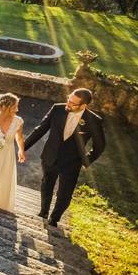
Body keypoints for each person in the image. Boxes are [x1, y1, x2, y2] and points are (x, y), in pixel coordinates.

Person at [21, 88, 106, 228]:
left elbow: (100, 145)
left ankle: (54, 219)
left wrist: (86, 161)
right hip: (50, 155)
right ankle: (43, 212)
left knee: (64, 194)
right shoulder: (57, 109)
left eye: (72, 103)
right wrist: (23, 148)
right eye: (68, 99)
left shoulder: (94, 121)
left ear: (83, 105)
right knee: (46, 184)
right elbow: (40, 129)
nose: (68, 103)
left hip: (72, 163)